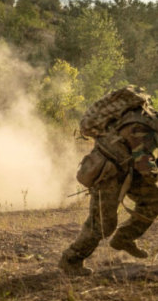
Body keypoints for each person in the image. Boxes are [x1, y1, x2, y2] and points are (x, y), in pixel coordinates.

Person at [59, 107, 158, 276]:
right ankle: (71, 259)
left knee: (153, 200)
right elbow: (145, 167)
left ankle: (124, 237)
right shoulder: (144, 127)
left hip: (127, 167)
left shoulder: (150, 122)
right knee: (103, 224)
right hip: (108, 172)